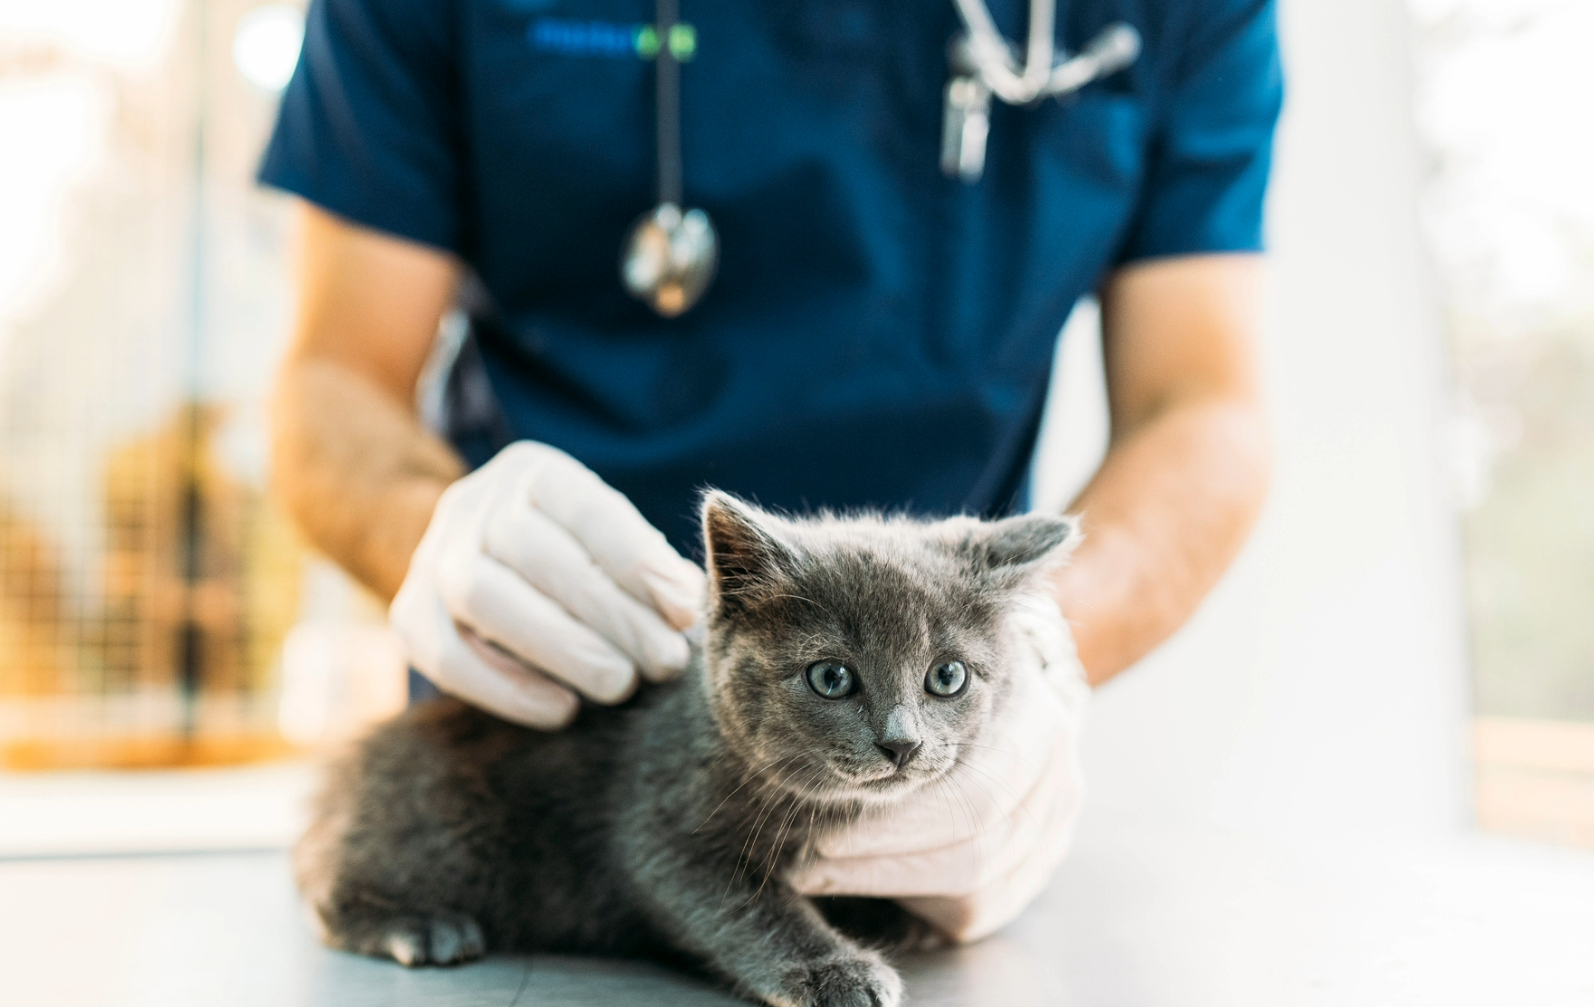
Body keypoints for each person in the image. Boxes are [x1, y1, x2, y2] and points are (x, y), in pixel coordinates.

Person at [261, 0, 1280, 943]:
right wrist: (433, 536)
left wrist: (1043, 652)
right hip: (540, 755)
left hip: (917, 826)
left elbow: (1199, 405)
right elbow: (335, 375)